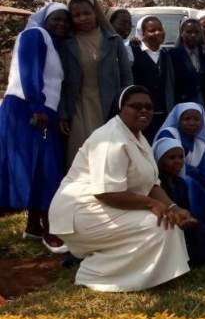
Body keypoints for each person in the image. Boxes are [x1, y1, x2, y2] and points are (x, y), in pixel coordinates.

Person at [48, 85, 191, 292]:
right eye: (136, 106)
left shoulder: (139, 137)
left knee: (168, 222)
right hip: (79, 212)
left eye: (149, 107)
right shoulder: (110, 139)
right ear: (121, 108)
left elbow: (151, 185)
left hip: (103, 207)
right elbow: (106, 192)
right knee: (156, 224)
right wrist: (152, 205)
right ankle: (95, 272)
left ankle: (152, 275)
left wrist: (173, 207)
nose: (144, 111)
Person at [0, 3, 70, 252]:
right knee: (45, 167)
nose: (61, 24)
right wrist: (37, 107)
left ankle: (32, 227)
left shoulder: (51, 42)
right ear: (45, 19)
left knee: (38, 167)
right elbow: (30, 73)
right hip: (27, 110)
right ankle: (50, 230)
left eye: (65, 21)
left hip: (39, 110)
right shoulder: (34, 34)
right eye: (56, 20)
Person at [59, 0, 133, 167]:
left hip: (108, 106)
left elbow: (126, 76)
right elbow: (61, 81)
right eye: (76, 15)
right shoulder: (66, 43)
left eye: (87, 13)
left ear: (95, 13)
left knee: (109, 155)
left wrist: (128, 106)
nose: (82, 18)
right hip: (78, 107)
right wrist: (63, 113)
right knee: (80, 155)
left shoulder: (113, 41)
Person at [153, 137, 205, 265]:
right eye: (171, 158)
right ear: (160, 160)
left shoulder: (181, 183)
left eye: (180, 157)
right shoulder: (157, 186)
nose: (177, 161)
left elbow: (186, 209)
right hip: (165, 224)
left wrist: (188, 220)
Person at [154, 103, 205, 233]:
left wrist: (194, 173)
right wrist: (194, 172)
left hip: (196, 184)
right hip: (167, 183)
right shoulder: (169, 134)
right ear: (178, 120)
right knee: (188, 185)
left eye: (196, 119)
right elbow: (167, 162)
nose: (192, 123)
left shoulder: (200, 143)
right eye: (187, 119)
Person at [131, 16, 175, 140]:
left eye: (160, 29)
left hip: (163, 114)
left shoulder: (166, 54)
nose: (158, 33)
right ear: (142, 34)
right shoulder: (133, 53)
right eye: (152, 30)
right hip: (140, 115)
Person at [171, 18, 205, 105]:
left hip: (204, 102)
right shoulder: (173, 55)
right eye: (189, 32)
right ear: (182, 33)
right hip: (183, 102)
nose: (193, 35)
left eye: (196, 32)